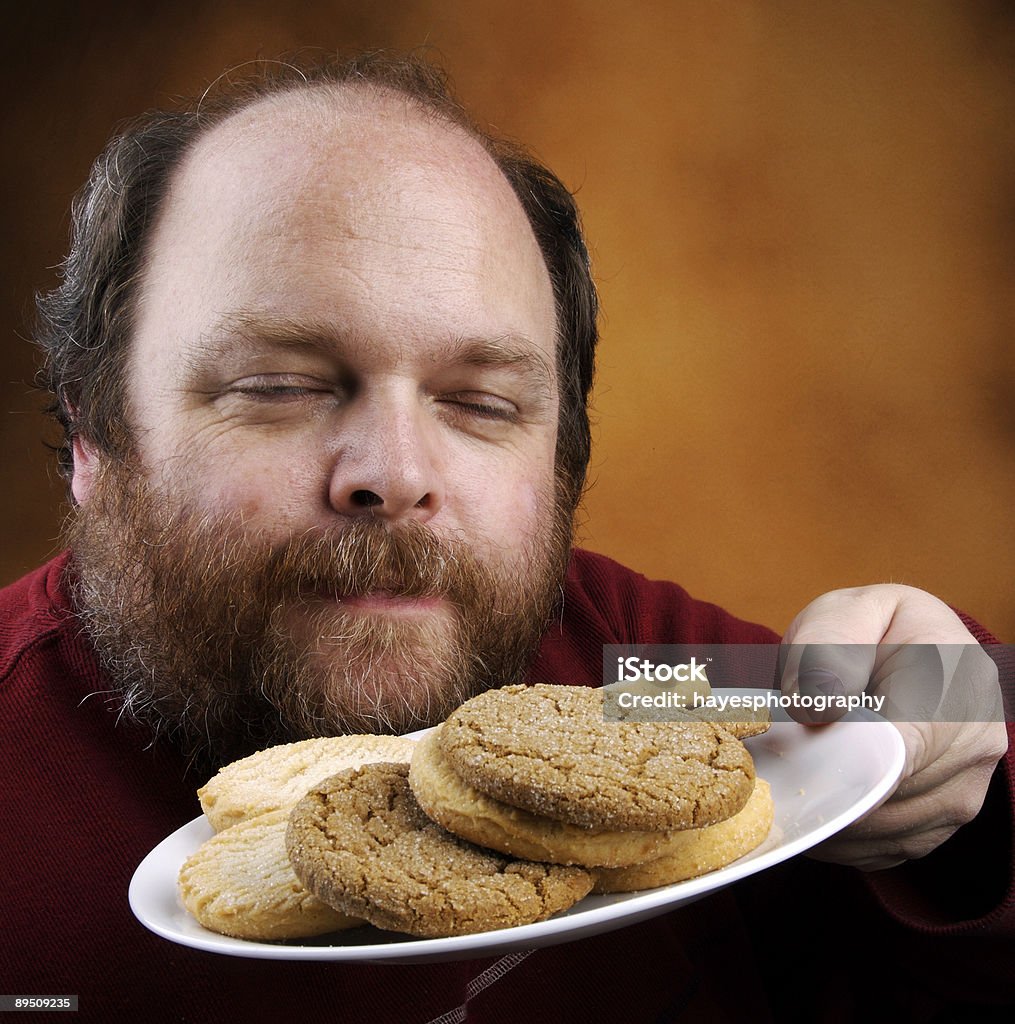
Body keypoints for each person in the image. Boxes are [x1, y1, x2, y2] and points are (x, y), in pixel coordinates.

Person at [1, 52, 1011, 1022]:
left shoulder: (631, 672)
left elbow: (889, 706)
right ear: (92, 429)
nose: (396, 475)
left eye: (480, 401)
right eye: (279, 385)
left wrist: (959, 751)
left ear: (561, 455)